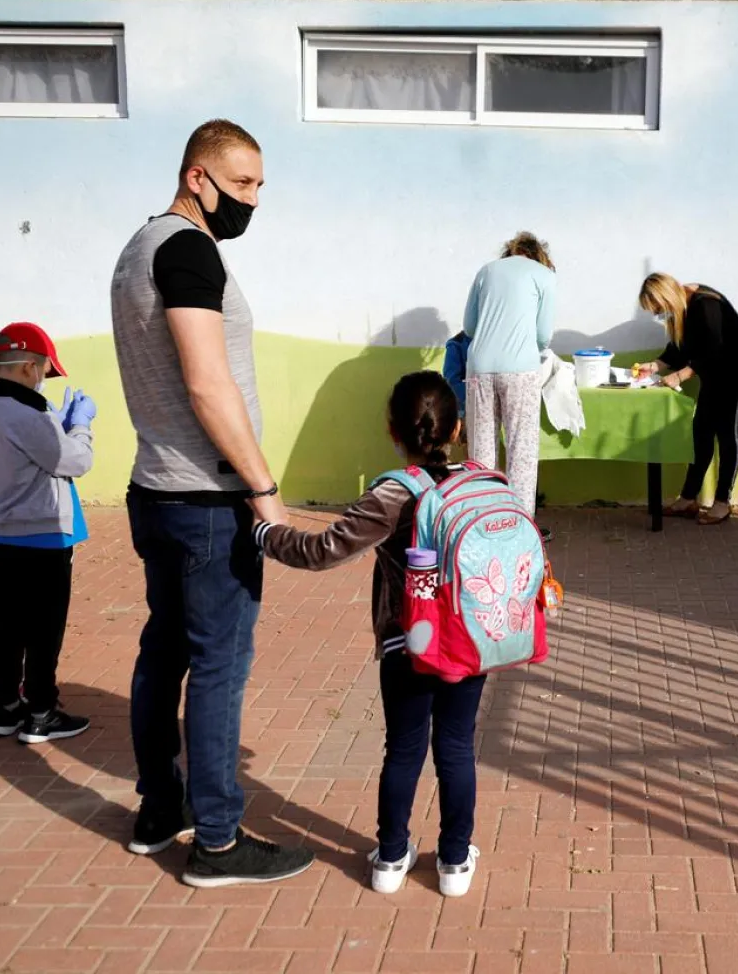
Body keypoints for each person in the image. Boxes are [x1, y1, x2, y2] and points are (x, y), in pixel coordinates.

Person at [112, 119, 313, 888]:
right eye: (242, 184)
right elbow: (205, 381)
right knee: (219, 665)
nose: (254, 200)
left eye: (260, 185)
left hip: (156, 490)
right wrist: (261, 486)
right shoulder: (188, 248)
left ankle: (160, 809)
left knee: (164, 649)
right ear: (198, 176)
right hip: (205, 497)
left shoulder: (138, 247)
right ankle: (220, 842)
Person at [253, 372, 486, 898]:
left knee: (403, 749)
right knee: (456, 746)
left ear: (392, 430)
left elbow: (320, 551)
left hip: (410, 642)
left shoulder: (391, 494)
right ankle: (454, 863)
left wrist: (264, 532)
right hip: (473, 638)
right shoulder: (478, 483)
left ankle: (391, 858)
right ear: (456, 431)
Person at [0, 322, 95, 744]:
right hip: (42, 538)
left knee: (5, 627)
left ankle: (6, 708)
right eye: (43, 370)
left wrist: (53, 424)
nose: (44, 379)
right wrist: (79, 427)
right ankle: (41, 712)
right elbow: (74, 461)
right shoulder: (26, 414)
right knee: (44, 631)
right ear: (27, 368)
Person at [634, 274, 738, 525]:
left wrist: (680, 376)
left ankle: (723, 502)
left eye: (659, 309)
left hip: (737, 372)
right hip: (713, 374)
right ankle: (688, 498)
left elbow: (714, 349)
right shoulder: (683, 308)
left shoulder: (705, 304)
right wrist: (656, 365)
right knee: (701, 432)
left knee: (728, 434)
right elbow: (681, 346)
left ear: (667, 297)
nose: (659, 315)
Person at [463, 232, 556, 517]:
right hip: (521, 371)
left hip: (480, 368)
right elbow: (544, 336)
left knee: (481, 451)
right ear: (539, 255)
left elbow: (469, 327)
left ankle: (480, 520)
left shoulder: (485, 271)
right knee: (521, 452)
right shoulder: (544, 275)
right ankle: (519, 524)